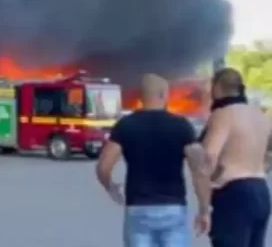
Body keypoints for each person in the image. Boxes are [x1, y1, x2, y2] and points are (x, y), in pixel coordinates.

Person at [96, 74, 211, 247]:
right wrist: (204, 210)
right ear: (164, 95)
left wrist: (110, 187)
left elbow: (103, 167)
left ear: (141, 97)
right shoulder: (181, 126)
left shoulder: (126, 125)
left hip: (138, 208)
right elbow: (200, 170)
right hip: (173, 207)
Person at [201, 68, 271, 247]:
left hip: (234, 194)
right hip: (261, 190)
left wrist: (210, 186)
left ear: (217, 87)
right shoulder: (259, 115)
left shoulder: (223, 115)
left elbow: (209, 155)